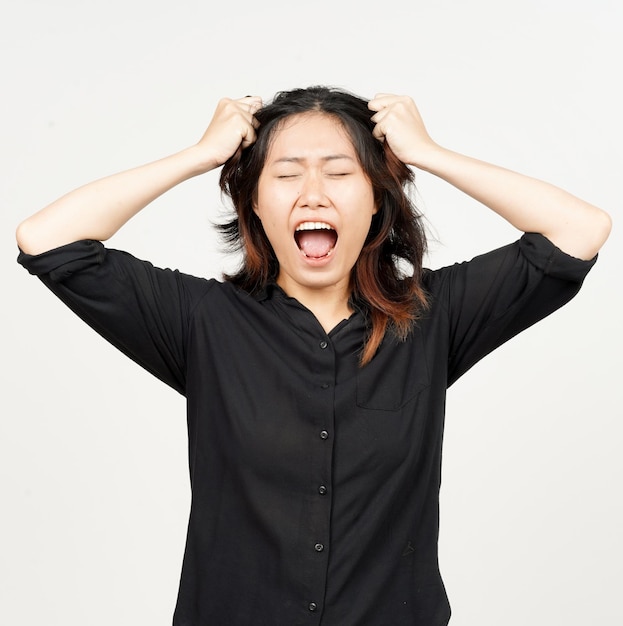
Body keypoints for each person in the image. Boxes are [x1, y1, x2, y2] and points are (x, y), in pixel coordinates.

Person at [16, 86, 611, 625]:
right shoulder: (204, 321)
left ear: (377, 200)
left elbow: (579, 232)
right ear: (252, 204)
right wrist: (200, 155)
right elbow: (49, 240)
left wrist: (428, 154)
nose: (313, 195)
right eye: (286, 175)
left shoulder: (431, 317)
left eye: (339, 172)